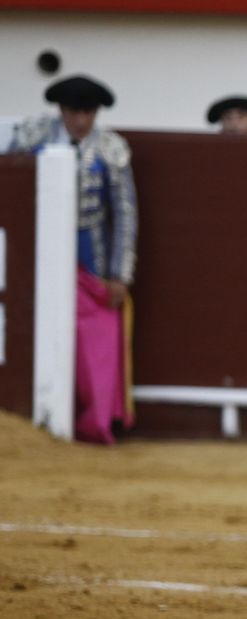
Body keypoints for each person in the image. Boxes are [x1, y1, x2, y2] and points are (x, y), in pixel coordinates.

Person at [8, 74, 137, 444]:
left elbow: (125, 214)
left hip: (90, 251)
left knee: (96, 337)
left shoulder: (111, 148)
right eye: (73, 112)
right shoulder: (32, 136)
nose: (81, 121)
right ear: (61, 110)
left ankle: (96, 419)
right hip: (34, 248)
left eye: (88, 112)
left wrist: (119, 273)